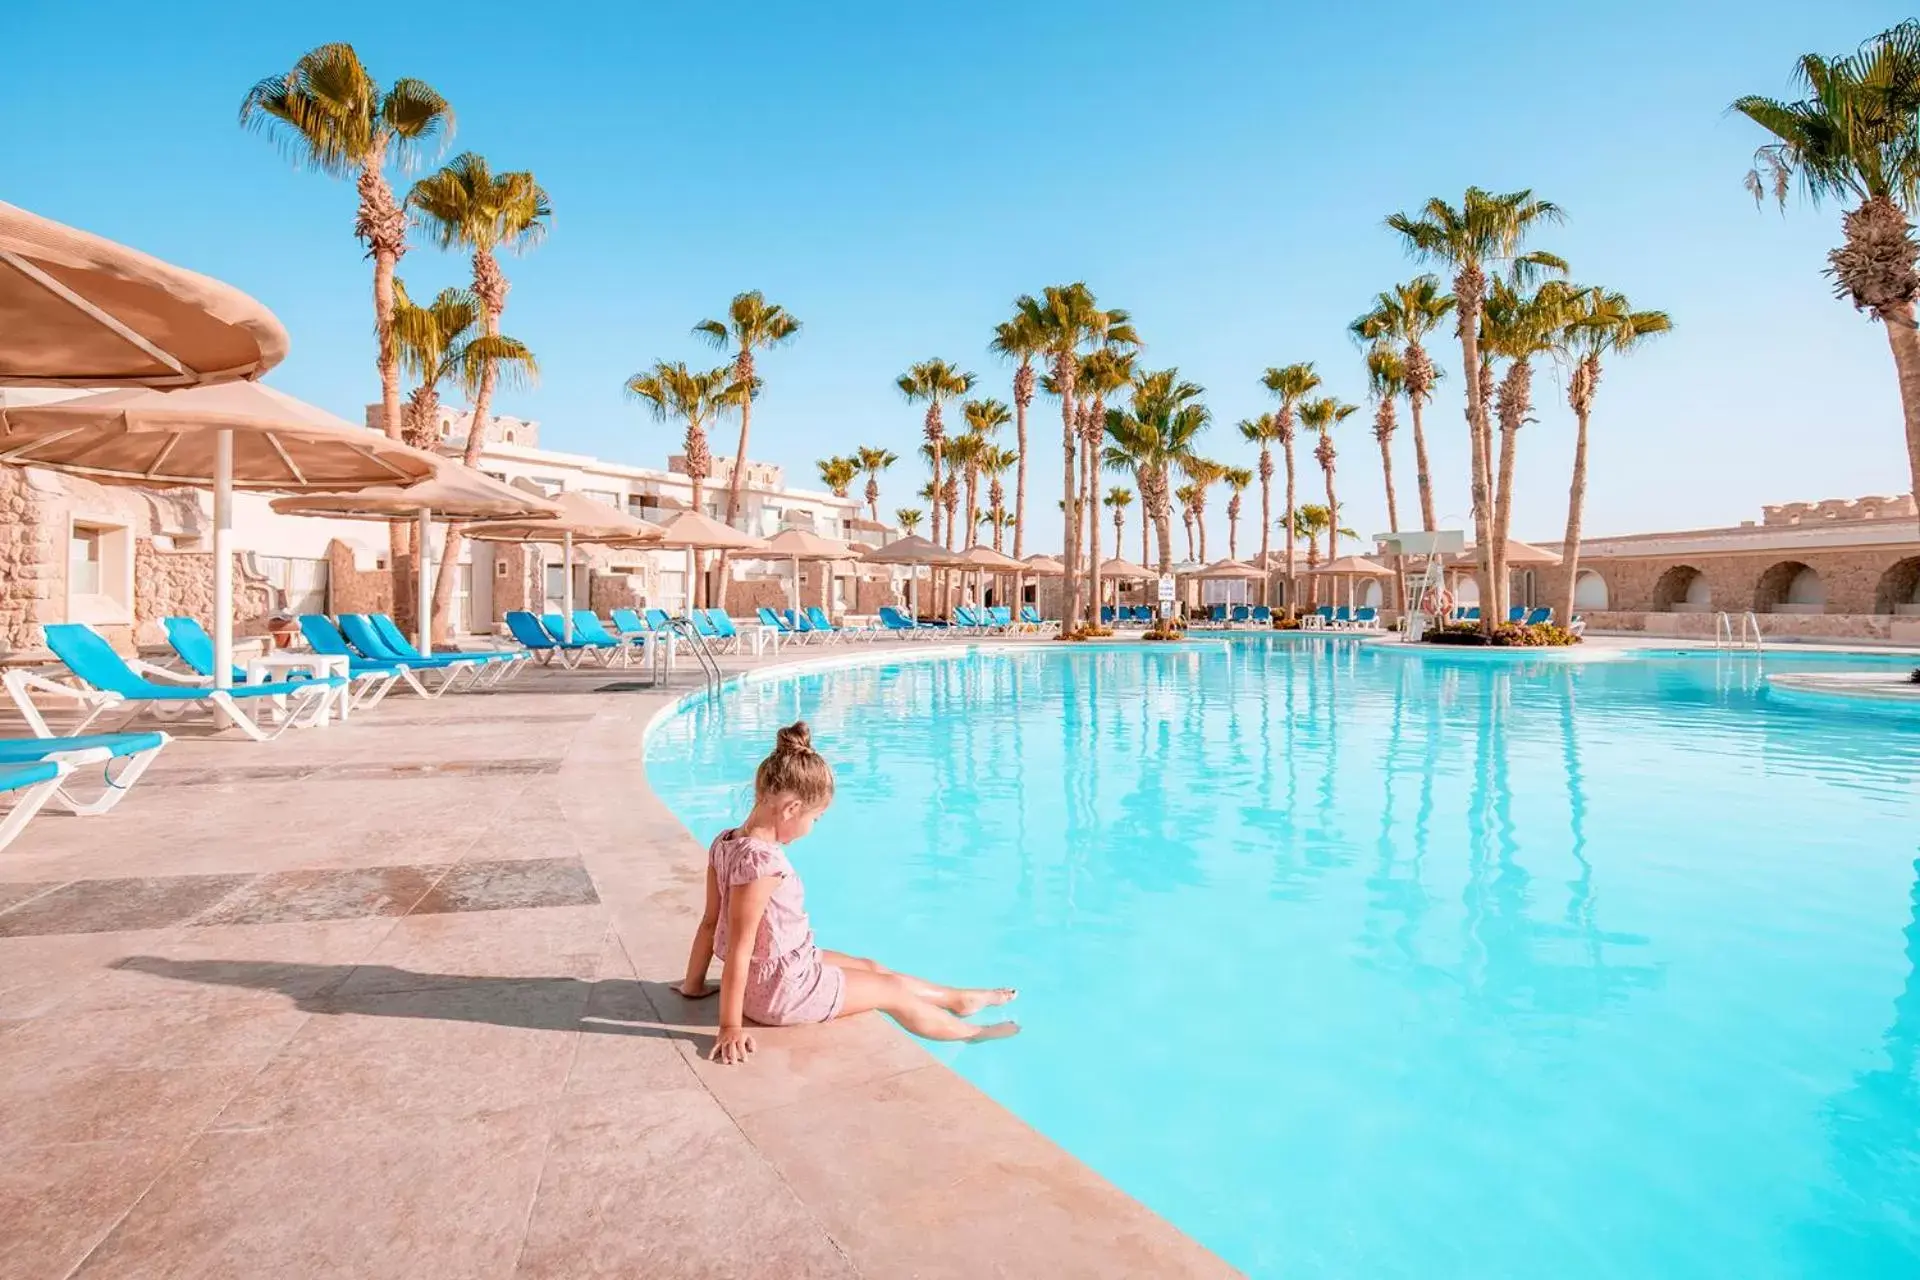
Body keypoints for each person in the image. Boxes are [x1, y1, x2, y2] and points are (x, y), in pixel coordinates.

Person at [679, 720, 1018, 1065]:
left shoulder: (725, 842)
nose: (812, 828)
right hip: (781, 992)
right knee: (892, 991)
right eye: (816, 818)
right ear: (792, 808)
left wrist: (694, 986)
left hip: (785, 968)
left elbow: (709, 923)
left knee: (870, 967)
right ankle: (973, 1034)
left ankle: (956, 999)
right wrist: (729, 1026)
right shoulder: (762, 865)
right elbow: (740, 946)